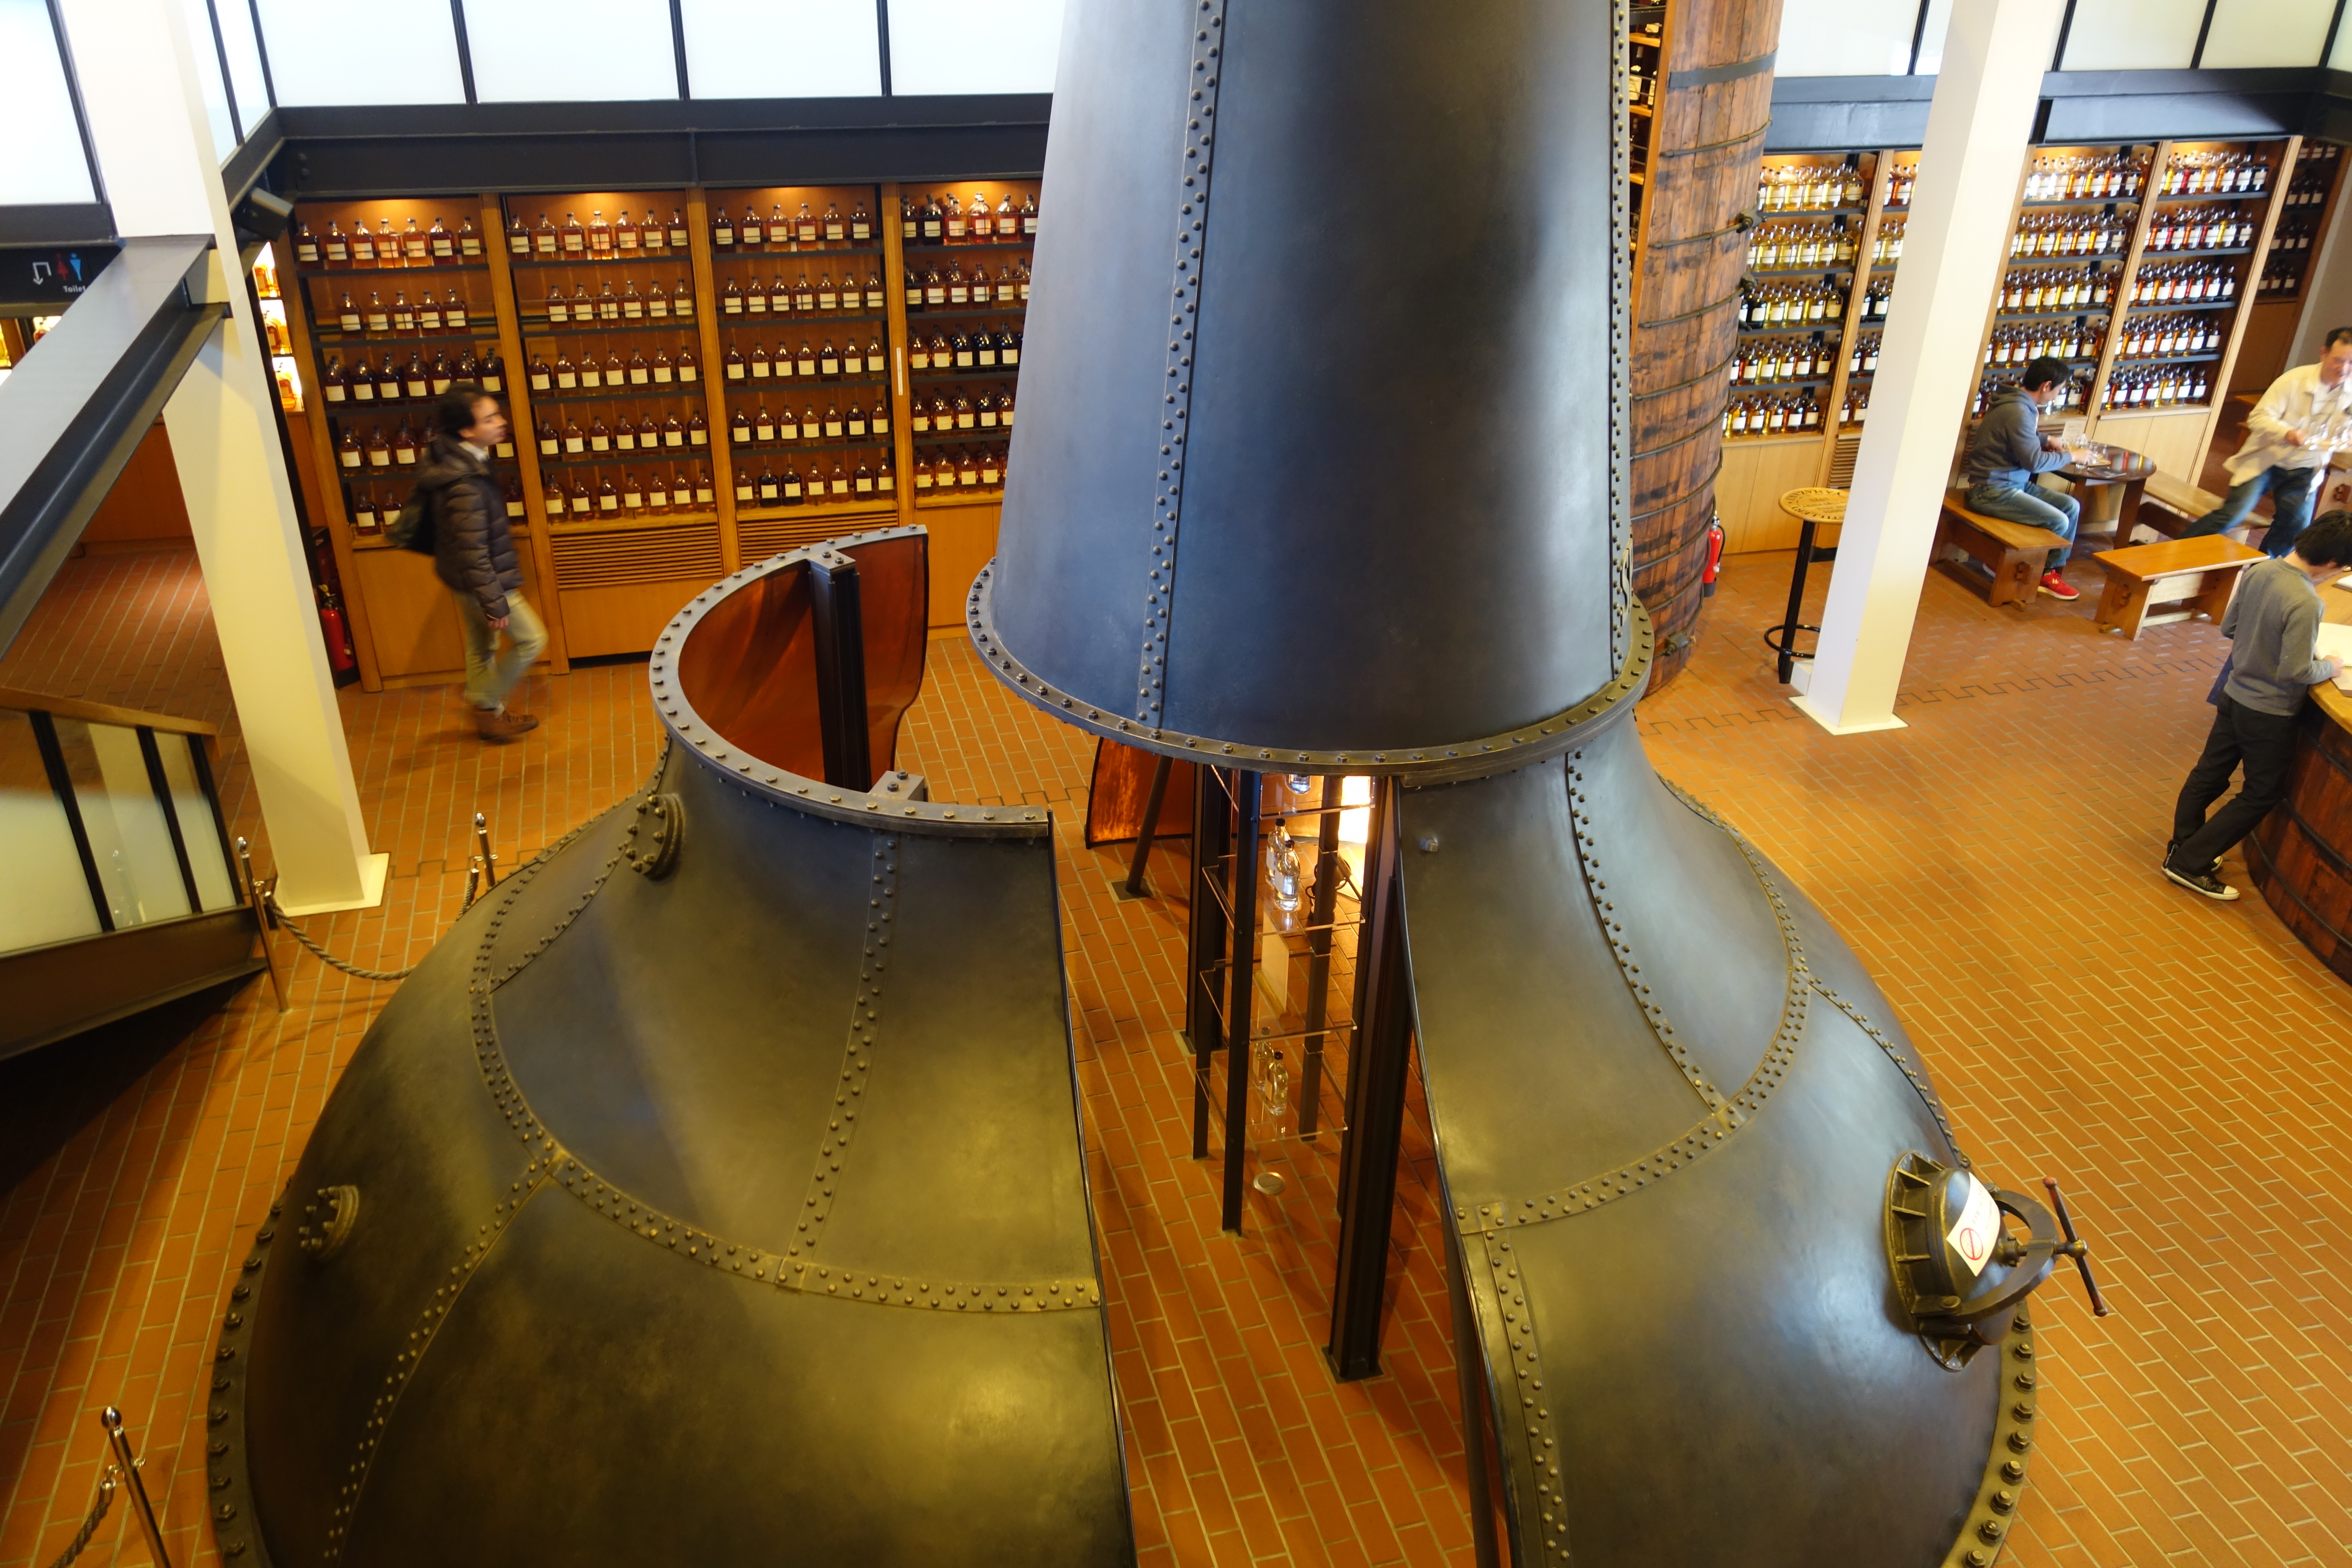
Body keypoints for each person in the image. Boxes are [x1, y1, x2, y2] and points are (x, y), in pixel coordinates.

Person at [2162, 509, 2352, 900]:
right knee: (2263, 792)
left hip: (2234, 693)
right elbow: (2296, 671)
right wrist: (2331, 666)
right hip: (2269, 711)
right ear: (2334, 562)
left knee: (2208, 775)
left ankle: (2183, 844)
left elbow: (2229, 628)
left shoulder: (2260, 570)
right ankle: (2189, 863)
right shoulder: (2306, 601)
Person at [420, 385, 545, 739]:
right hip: (482, 580)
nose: (501, 423)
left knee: (481, 645)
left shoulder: (456, 457)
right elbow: (473, 549)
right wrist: (494, 601)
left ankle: (491, 717)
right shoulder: (465, 484)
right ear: (466, 430)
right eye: (489, 419)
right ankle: (485, 701)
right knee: (532, 640)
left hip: (461, 577)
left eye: (497, 415)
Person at [2184, 326, 2352, 558]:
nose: (2344, 369)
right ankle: (2172, 554)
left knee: (2296, 527)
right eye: (2338, 360)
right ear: (2324, 354)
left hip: (2306, 466)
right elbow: (2257, 418)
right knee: (2233, 514)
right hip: (2267, 460)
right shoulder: (2294, 380)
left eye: (2351, 363)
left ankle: (2263, 573)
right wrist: (2287, 433)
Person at [1960, 356, 2082, 600]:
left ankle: (2050, 572)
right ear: (2047, 386)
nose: (2057, 396)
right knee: (2058, 521)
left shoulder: (2014, 401)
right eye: (2059, 390)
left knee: (2071, 506)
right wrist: (2072, 456)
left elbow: (2020, 433)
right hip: (1991, 490)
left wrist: (2047, 439)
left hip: (2011, 484)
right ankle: (2026, 570)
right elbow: (2034, 463)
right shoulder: (2019, 410)